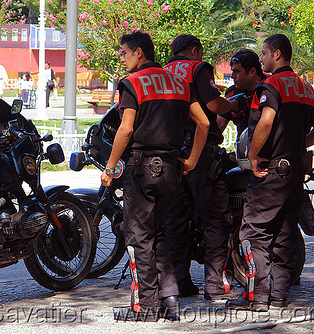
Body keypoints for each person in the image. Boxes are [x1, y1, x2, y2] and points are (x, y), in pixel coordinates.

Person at [103, 31, 209, 322]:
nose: (121, 58)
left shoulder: (132, 83)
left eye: (124, 52)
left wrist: (110, 168)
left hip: (141, 168)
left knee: (138, 238)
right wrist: (192, 160)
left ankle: (144, 307)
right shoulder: (177, 83)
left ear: (139, 53)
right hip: (172, 170)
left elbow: (125, 130)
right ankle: (170, 299)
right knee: (160, 235)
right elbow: (204, 122)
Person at [226, 34, 314, 312]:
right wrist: (296, 146)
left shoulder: (270, 86)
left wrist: (254, 155)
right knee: (284, 235)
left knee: (253, 233)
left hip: (270, 174)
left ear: (278, 55)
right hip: (295, 173)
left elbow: (266, 121)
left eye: (265, 53)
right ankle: (279, 295)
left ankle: (258, 297)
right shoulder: (308, 89)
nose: (261, 58)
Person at [163, 34, 242, 301]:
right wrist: (232, 104)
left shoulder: (162, 72)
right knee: (215, 217)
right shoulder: (199, 68)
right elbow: (212, 105)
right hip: (200, 151)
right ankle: (213, 284)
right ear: (195, 51)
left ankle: (181, 282)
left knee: (176, 218)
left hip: (171, 153)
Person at [217, 49, 267, 137]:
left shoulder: (270, 89)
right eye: (232, 71)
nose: (232, 76)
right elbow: (218, 126)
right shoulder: (232, 93)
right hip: (244, 147)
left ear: (252, 72)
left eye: (236, 71)